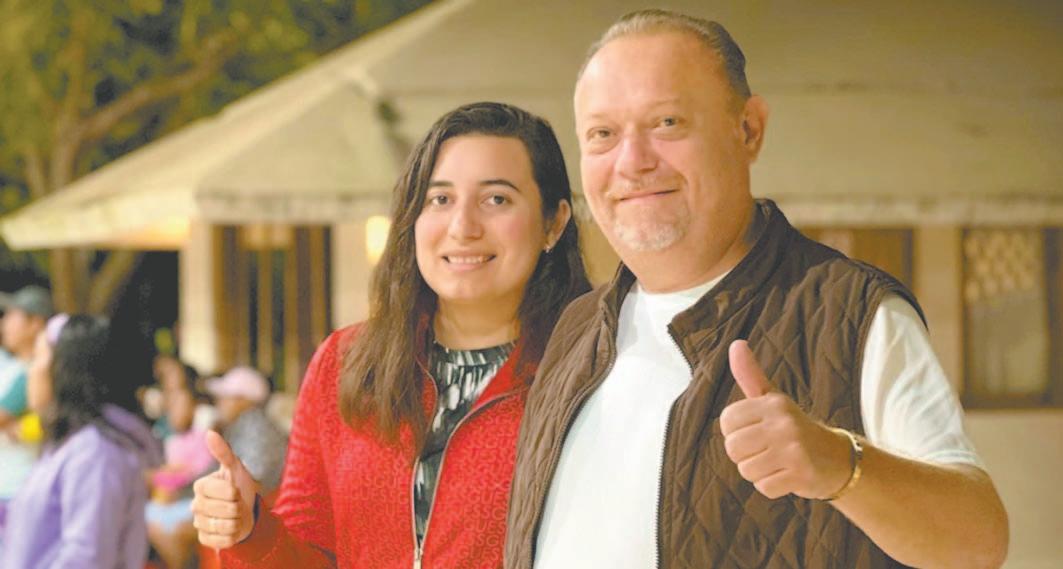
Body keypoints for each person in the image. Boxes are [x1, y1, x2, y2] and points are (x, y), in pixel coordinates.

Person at [505, 9, 1009, 569]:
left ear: (748, 130)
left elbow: (979, 542)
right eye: (603, 134)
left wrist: (841, 467)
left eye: (667, 123)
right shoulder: (575, 328)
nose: (632, 162)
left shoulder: (851, 314)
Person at [191, 101, 591, 568]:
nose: (462, 227)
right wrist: (252, 531)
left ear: (553, 223)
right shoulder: (346, 364)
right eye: (439, 199)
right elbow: (309, 551)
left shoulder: (592, 371)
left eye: (496, 199)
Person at [1, 314, 163, 569]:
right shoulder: (72, 444)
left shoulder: (96, 453)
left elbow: (87, 557)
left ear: (63, 370)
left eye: (38, 357)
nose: (31, 371)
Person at [146, 365, 215, 569]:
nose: (176, 411)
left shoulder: (202, 437)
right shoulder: (172, 440)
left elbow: (198, 471)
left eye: (182, 404)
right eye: (173, 405)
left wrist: (170, 475)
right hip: (167, 501)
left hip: (185, 501)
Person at [0, 286, 53, 542]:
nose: (5, 323)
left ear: (35, 324)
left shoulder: (33, 373)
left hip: (16, 488)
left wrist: (18, 428)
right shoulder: (14, 368)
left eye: (13, 316)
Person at [205, 366, 288, 493]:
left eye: (226, 397)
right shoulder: (240, 425)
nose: (219, 403)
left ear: (244, 401)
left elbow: (252, 484)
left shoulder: (259, 430)